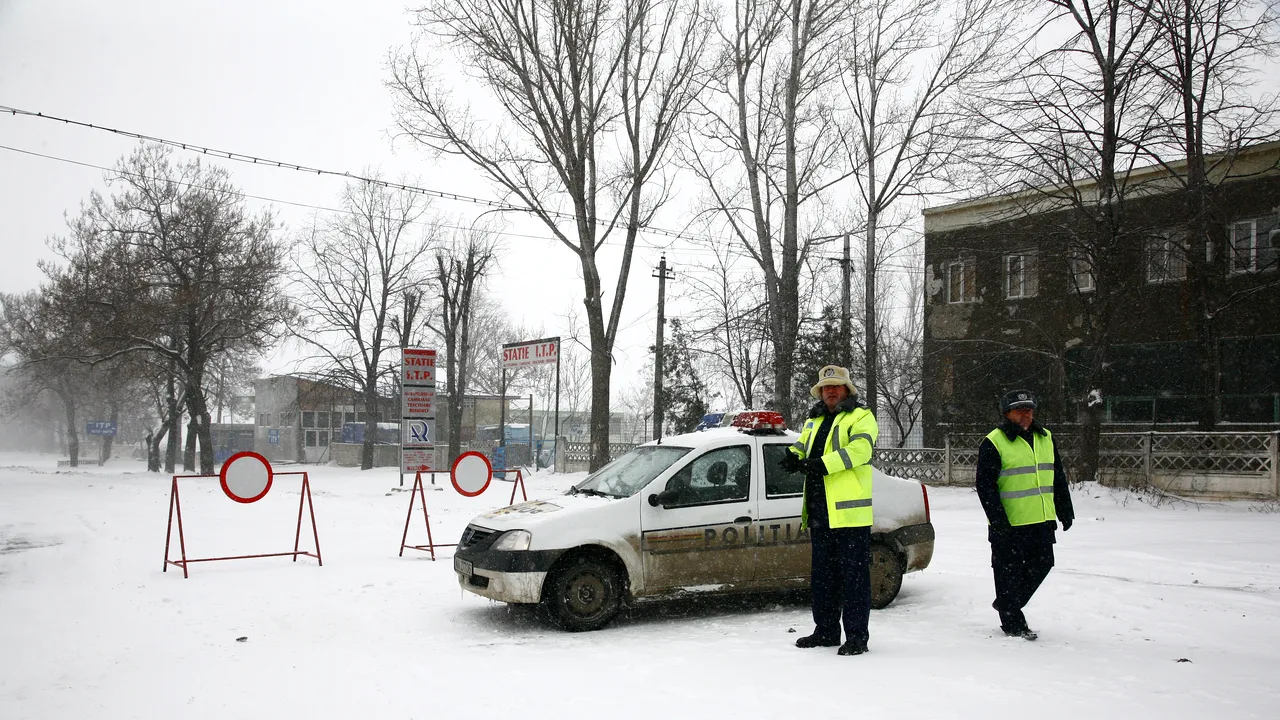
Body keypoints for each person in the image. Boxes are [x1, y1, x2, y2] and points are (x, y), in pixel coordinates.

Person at [780, 365, 878, 656]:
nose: (831, 391)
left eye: (836, 386)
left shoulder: (861, 416)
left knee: (854, 580)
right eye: (826, 387)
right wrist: (792, 457)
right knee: (823, 578)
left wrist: (822, 465)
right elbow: (801, 446)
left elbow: (861, 451)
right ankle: (825, 631)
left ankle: (857, 638)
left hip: (850, 516)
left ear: (847, 390)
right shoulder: (814, 419)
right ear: (820, 392)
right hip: (819, 512)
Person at [976, 389, 1075, 641]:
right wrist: (998, 521)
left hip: (1041, 519)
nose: (1026, 414)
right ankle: (1012, 622)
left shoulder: (1046, 438)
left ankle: (1008, 603)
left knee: (1043, 564)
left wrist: (1065, 510)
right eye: (1020, 410)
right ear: (1007, 413)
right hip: (1009, 523)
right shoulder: (994, 441)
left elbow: (1058, 476)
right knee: (1007, 572)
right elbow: (985, 486)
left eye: (1029, 409)